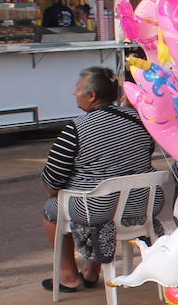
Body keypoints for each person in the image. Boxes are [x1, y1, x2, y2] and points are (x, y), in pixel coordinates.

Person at [40, 66, 161, 292]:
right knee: (102, 196)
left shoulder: (76, 129)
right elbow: (144, 155)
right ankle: (91, 270)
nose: (73, 93)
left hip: (97, 209)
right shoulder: (140, 121)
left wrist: (61, 189)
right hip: (142, 205)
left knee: (51, 210)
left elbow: (52, 182)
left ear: (92, 95)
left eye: (77, 89)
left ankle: (68, 276)